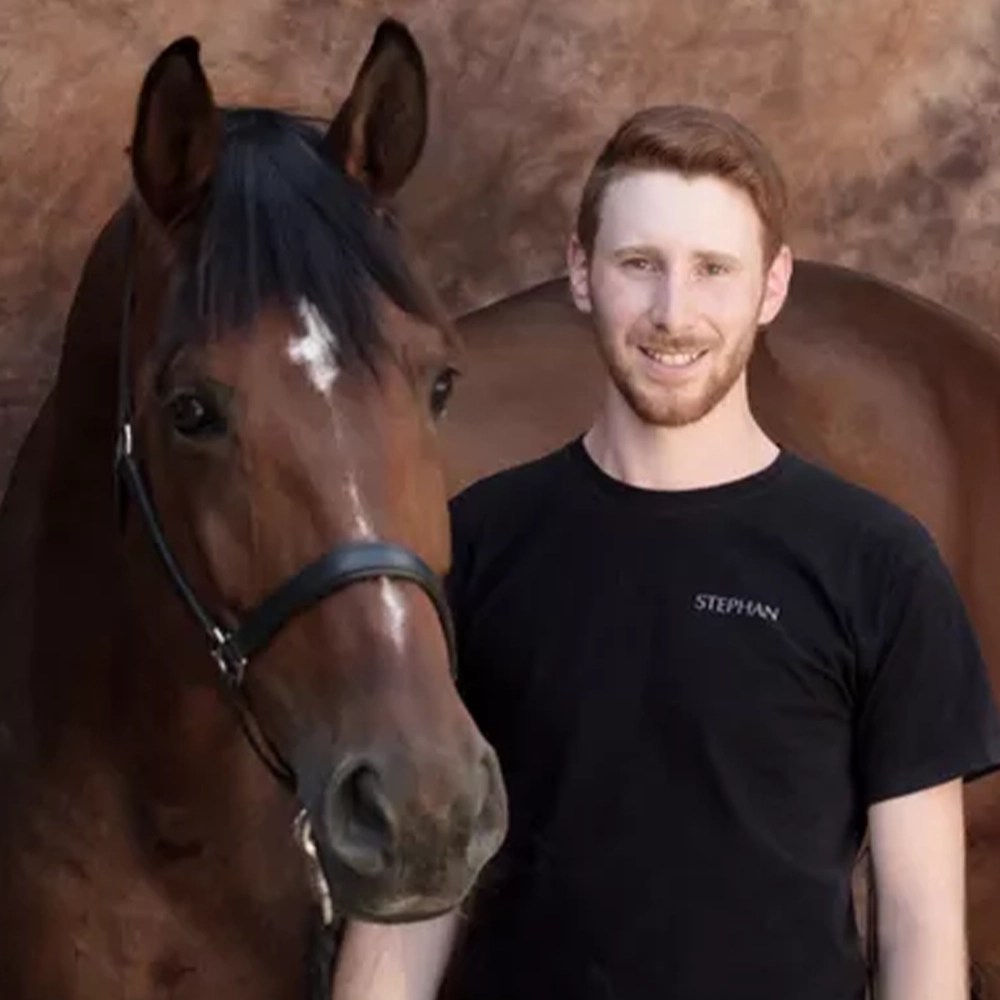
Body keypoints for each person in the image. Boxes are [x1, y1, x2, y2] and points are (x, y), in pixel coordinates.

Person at [330, 105, 1000, 1000]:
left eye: (713, 270)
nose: (673, 313)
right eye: (639, 264)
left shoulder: (878, 565)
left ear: (771, 287)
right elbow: (413, 903)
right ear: (581, 273)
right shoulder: (473, 546)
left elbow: (918, 930)